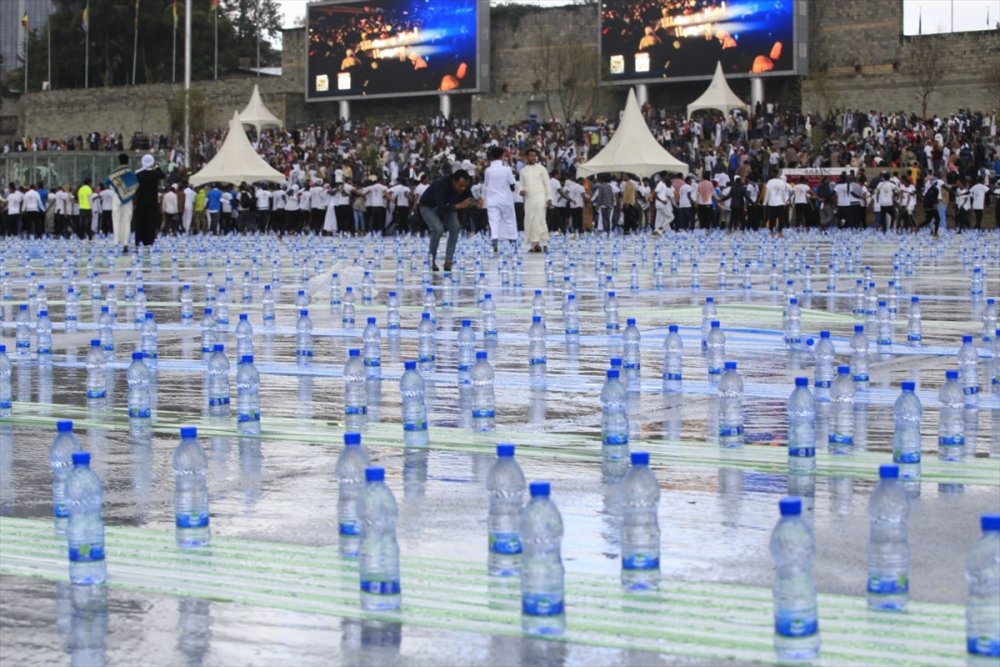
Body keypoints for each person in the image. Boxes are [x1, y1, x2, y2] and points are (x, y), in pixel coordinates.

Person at [418, 169, 477, 272]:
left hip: (448, 207)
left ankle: (448, 261)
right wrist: (460, 205)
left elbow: (470, 199)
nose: (463, 189)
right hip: (428, 206)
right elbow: (441, 207)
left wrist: (477, 203)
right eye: (460, 185)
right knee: (438, 229)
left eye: (465, 186)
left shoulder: (464, 186)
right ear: (454, 181)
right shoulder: (441, 184)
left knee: (455, 227)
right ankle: (431, 260)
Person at [482, 146, 518, 252]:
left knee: (494, 221)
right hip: (505, 199)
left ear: (492, 156)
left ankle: (495, 242)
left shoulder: (488, 170)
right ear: (503, 156)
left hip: (492, 199)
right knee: (510, 220)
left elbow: (487, 184)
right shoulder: (506, 169)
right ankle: (513, 242)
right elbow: (512, 184)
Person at [519, 147, 550, 252]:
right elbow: (521, 186)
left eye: (534, 156)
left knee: (540, 218)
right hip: (528, 199)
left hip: (540, 197)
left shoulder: (542, 169)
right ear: (527, 157)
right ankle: (534, 245)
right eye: (531, 156)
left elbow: (547, 184)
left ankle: (543, 243)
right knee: (529, 220)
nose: (533, 157)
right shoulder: (523, 171)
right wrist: (521, 191)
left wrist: (549, 198)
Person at [134, 154, 165, 246]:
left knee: (140, 222)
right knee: (151, 222)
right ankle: (149, 240)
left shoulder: (139, 174)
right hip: (152, 202)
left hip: (141, 202)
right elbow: (163, 175)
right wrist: (157, 167)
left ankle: (138, 239)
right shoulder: (155, 174)